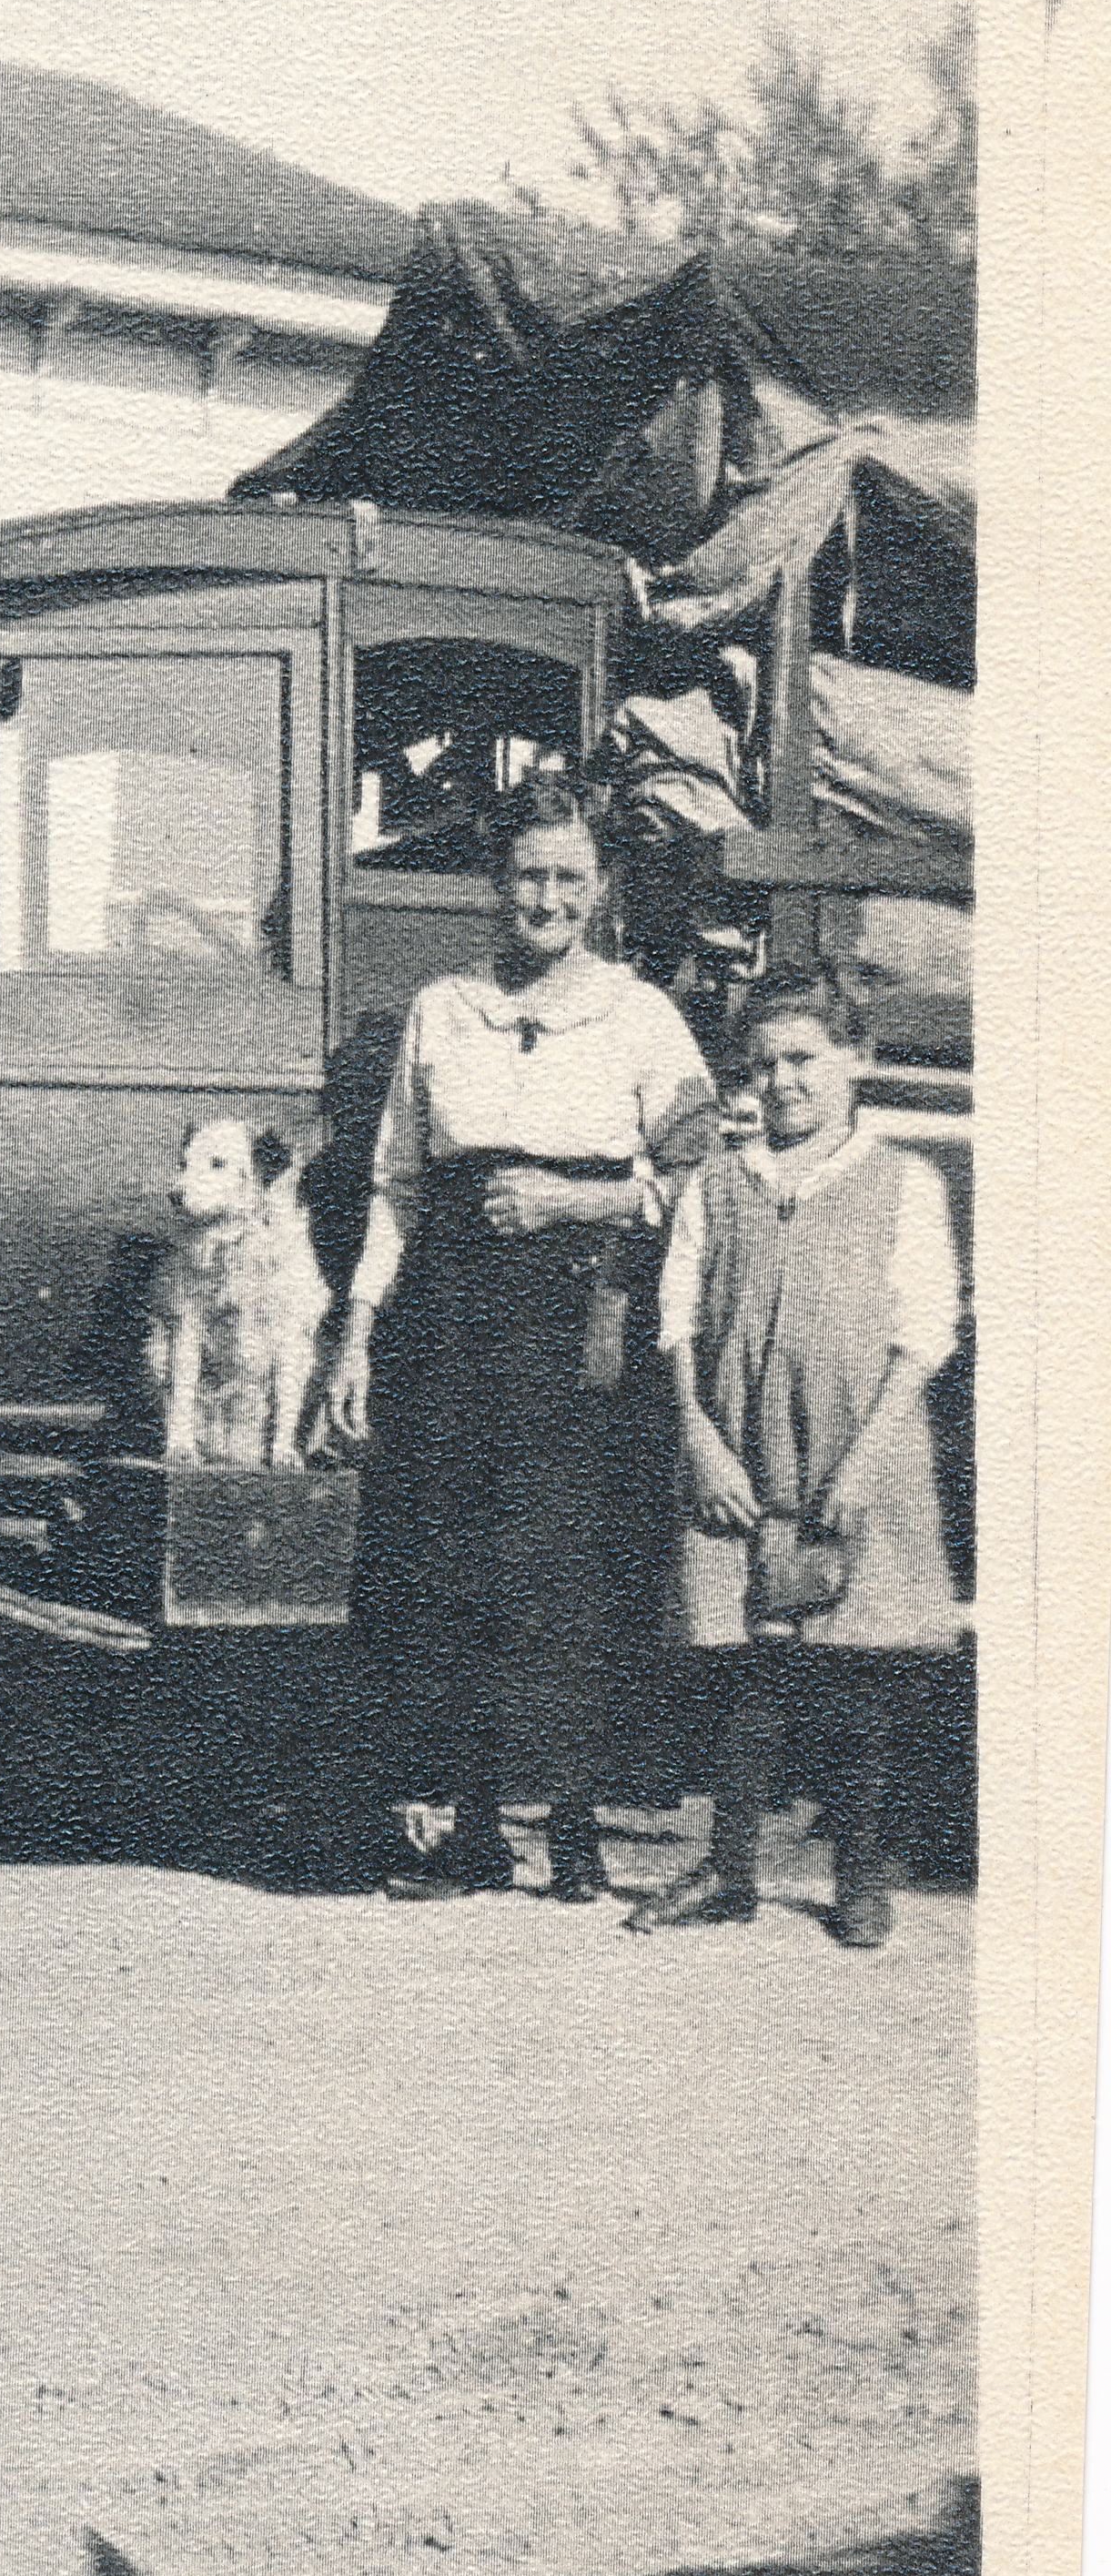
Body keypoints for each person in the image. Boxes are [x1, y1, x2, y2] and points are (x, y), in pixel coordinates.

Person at [328, 774, 718, 1898]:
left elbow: (698, 1162)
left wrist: (576, 1200)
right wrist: (357, 1331)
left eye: (568, 877)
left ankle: (581, 1828)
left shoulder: (640, 1013)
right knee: (454, 1564)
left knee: (571, 1569)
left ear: (599, 891)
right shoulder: (441, 1009)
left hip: (581, 1319)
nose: (545, 897)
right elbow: (397, 1183)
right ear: (496, 885)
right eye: (527, 875)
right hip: (451, 1320)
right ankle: (475, 1830)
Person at [628, 968, 962, 1950]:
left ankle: (859, 1875)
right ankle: (729, 1869)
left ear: (856, 1060)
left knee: (858, 1667)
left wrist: (864, 1461)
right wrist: (697, 1434)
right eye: (763, 1063)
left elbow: (925, 1332)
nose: (781, 1082)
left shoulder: (904, 1181)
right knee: (746, 1669)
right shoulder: (719, 1186)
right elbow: (676, 1321)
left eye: (804, 1058)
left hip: (859, 1447)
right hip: (738, 1446)